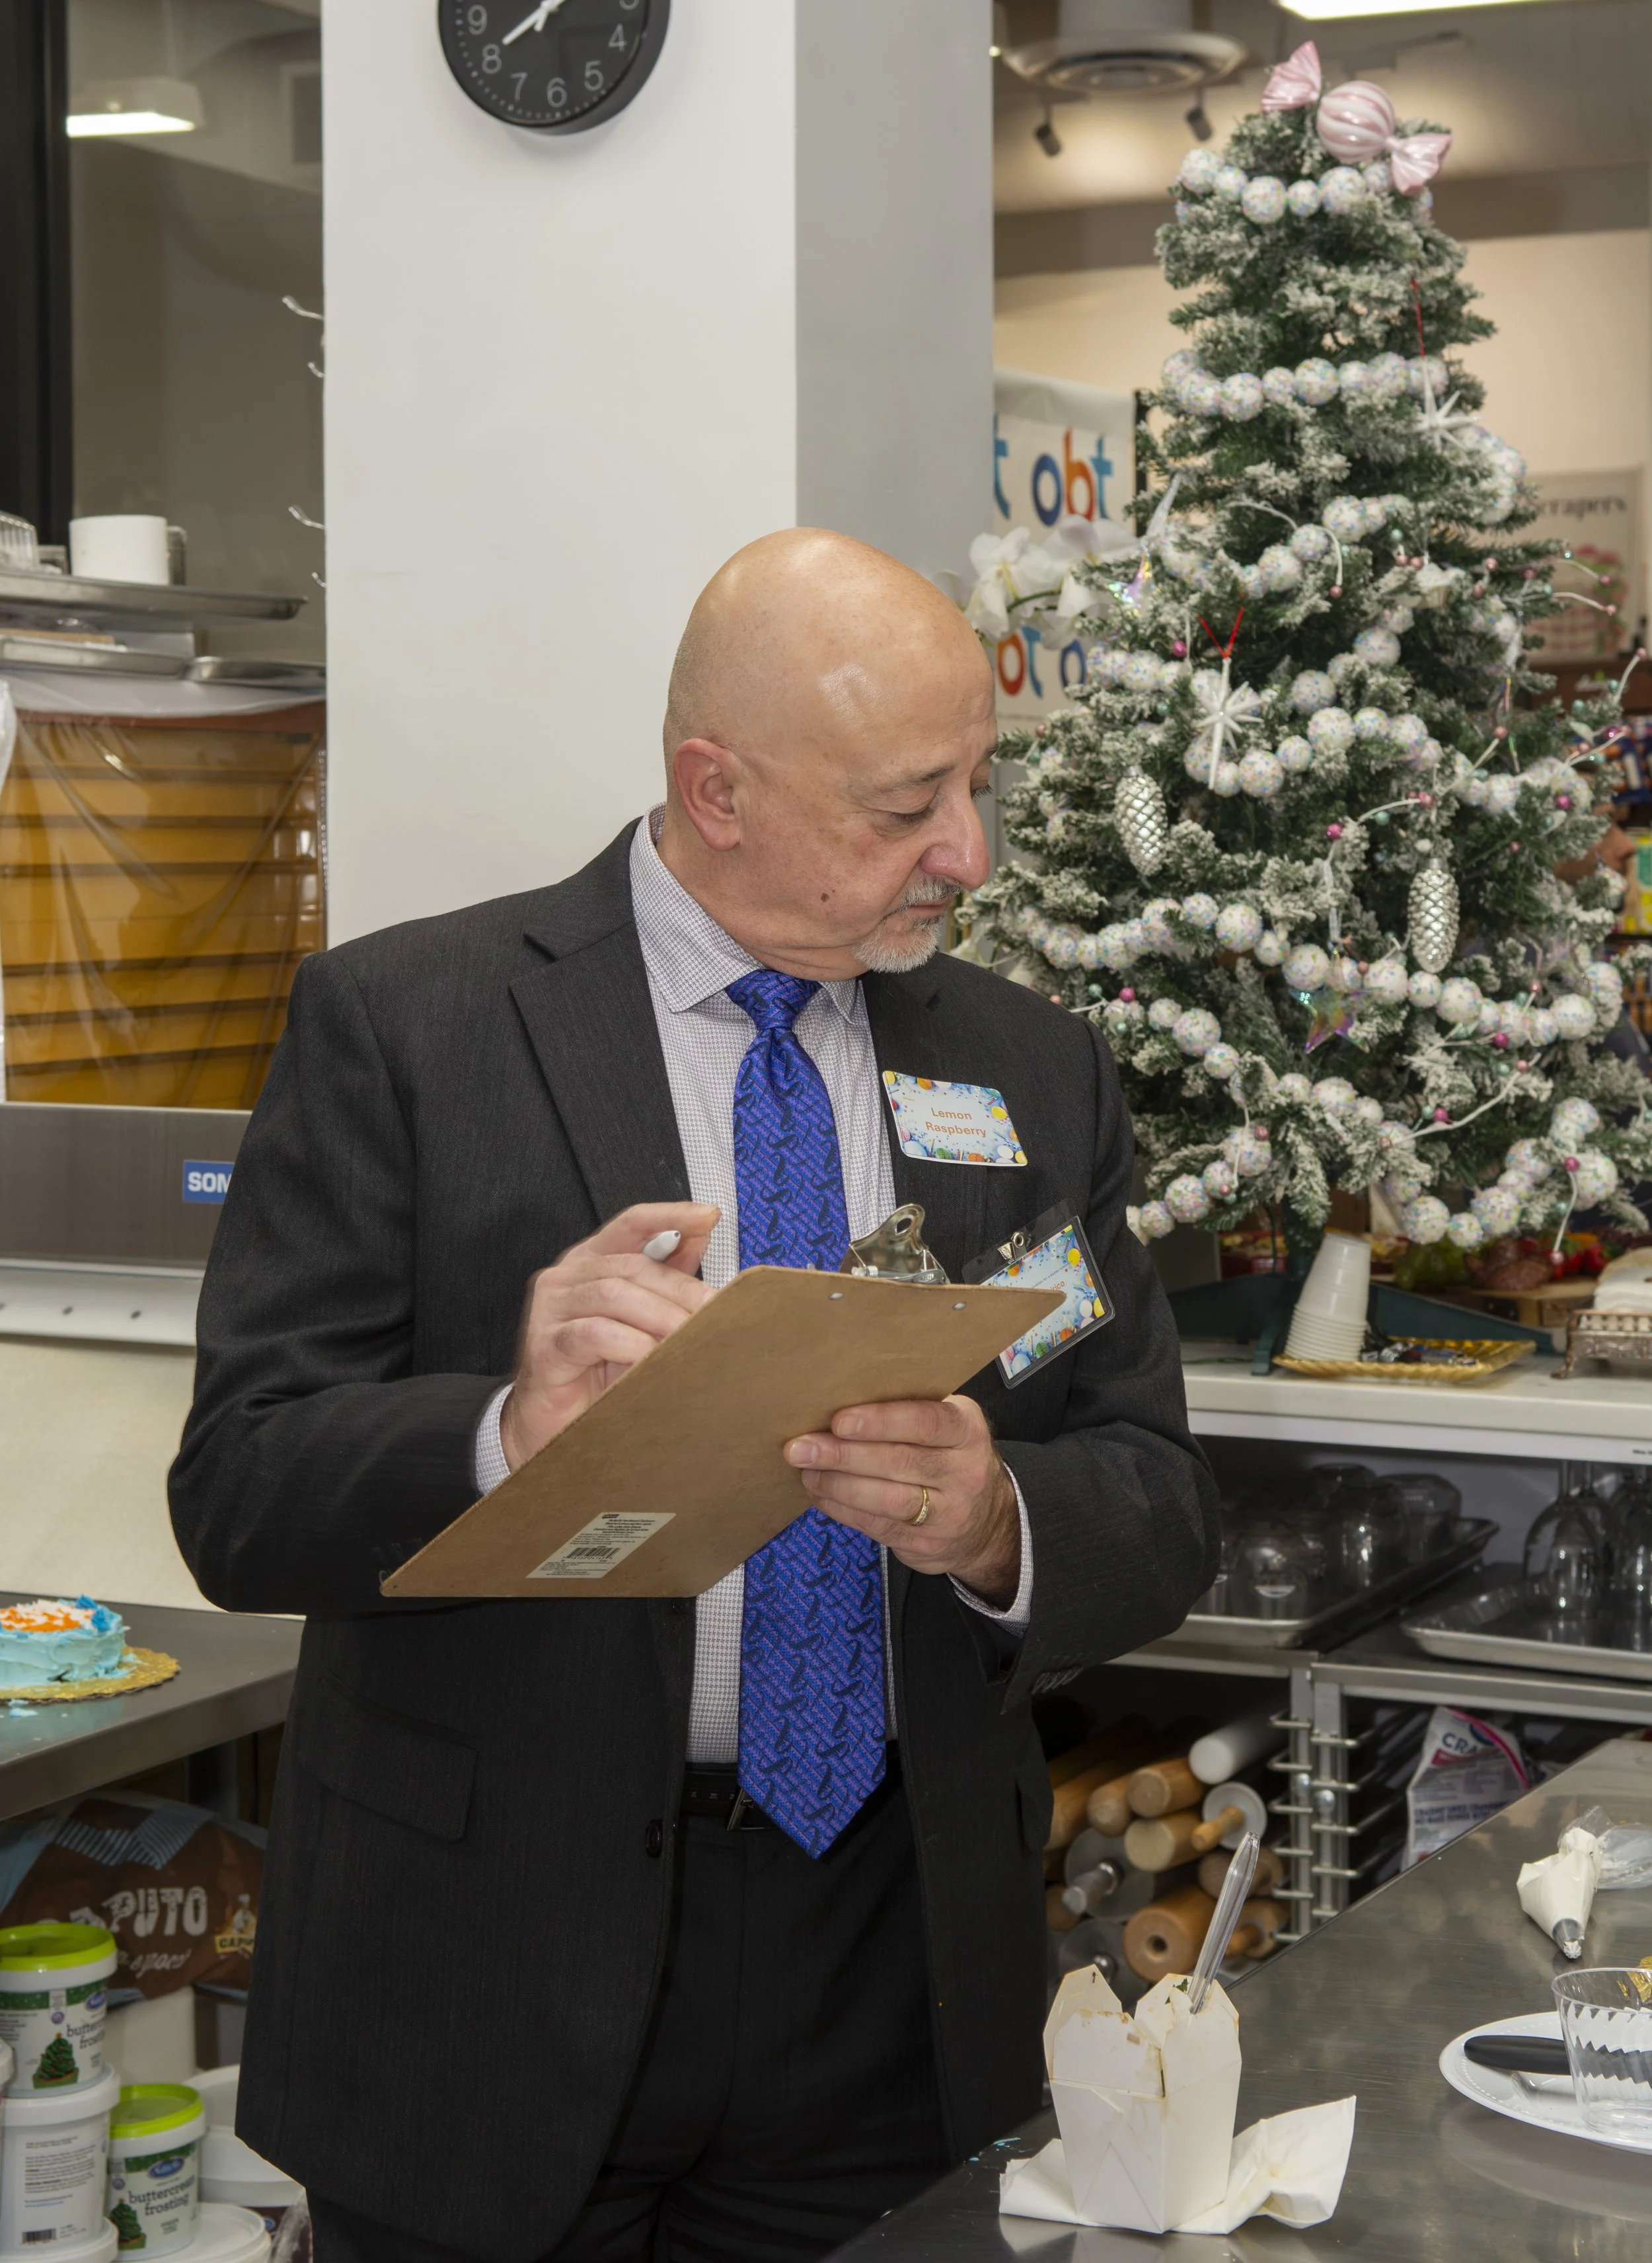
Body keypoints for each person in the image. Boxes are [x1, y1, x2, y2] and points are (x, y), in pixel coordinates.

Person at [170, 528, 1219, 2263]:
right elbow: (238, 1487)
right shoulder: (411, 1031)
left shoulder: (1021, 1070)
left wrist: (995, 1517)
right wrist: (503, 1431)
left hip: (890, 1975)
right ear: (713, 789)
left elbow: (1148, 1480)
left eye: (975, 781)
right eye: (904, 805)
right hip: (484, 1977)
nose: (967, 848)